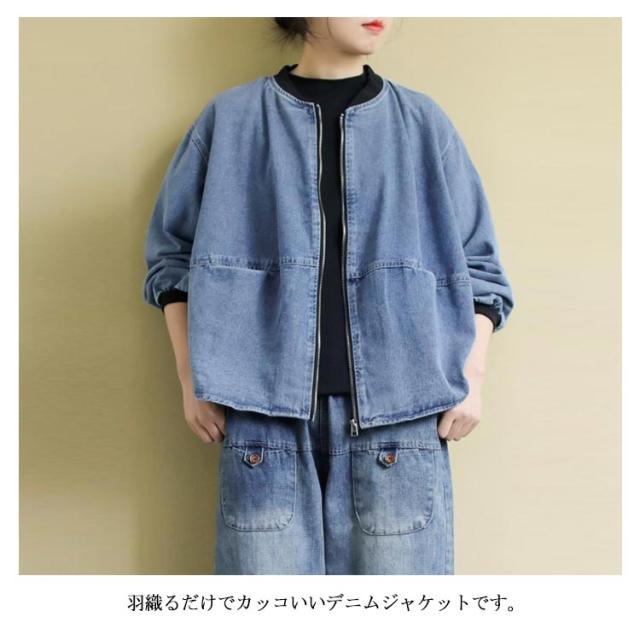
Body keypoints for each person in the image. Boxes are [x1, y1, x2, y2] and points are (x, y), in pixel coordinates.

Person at [142, 17, 515, 575]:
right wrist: (190, 376)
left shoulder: (422, 123)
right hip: (260, 417)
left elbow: (480, 266)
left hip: (401, 416)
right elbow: (172, 259)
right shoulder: (232, 119)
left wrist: (473, 377)